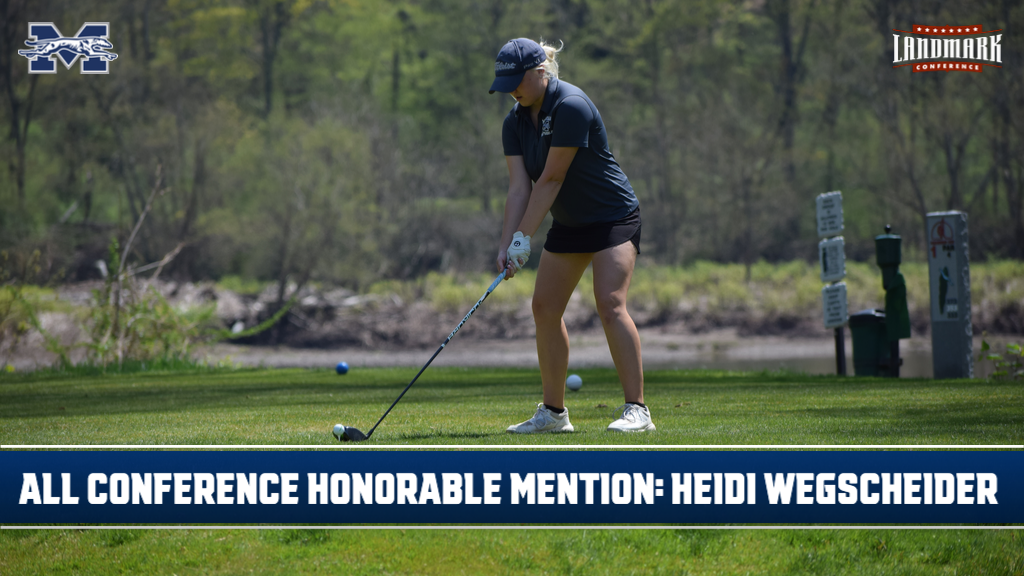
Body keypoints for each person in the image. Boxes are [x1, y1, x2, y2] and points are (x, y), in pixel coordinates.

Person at [490, 38, 654, 434]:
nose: (513, 89)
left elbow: (551, 178)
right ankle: (553, 414)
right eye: (506, 82)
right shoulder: (513, 122)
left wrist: (523, 239)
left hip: (612, 217)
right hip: (570, 224)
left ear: (540, 73)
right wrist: (506, 242)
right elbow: (519, 189)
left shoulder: (571, 106)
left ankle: (638, 411)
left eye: (518, 80)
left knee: (610, 303)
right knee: (544, 308)